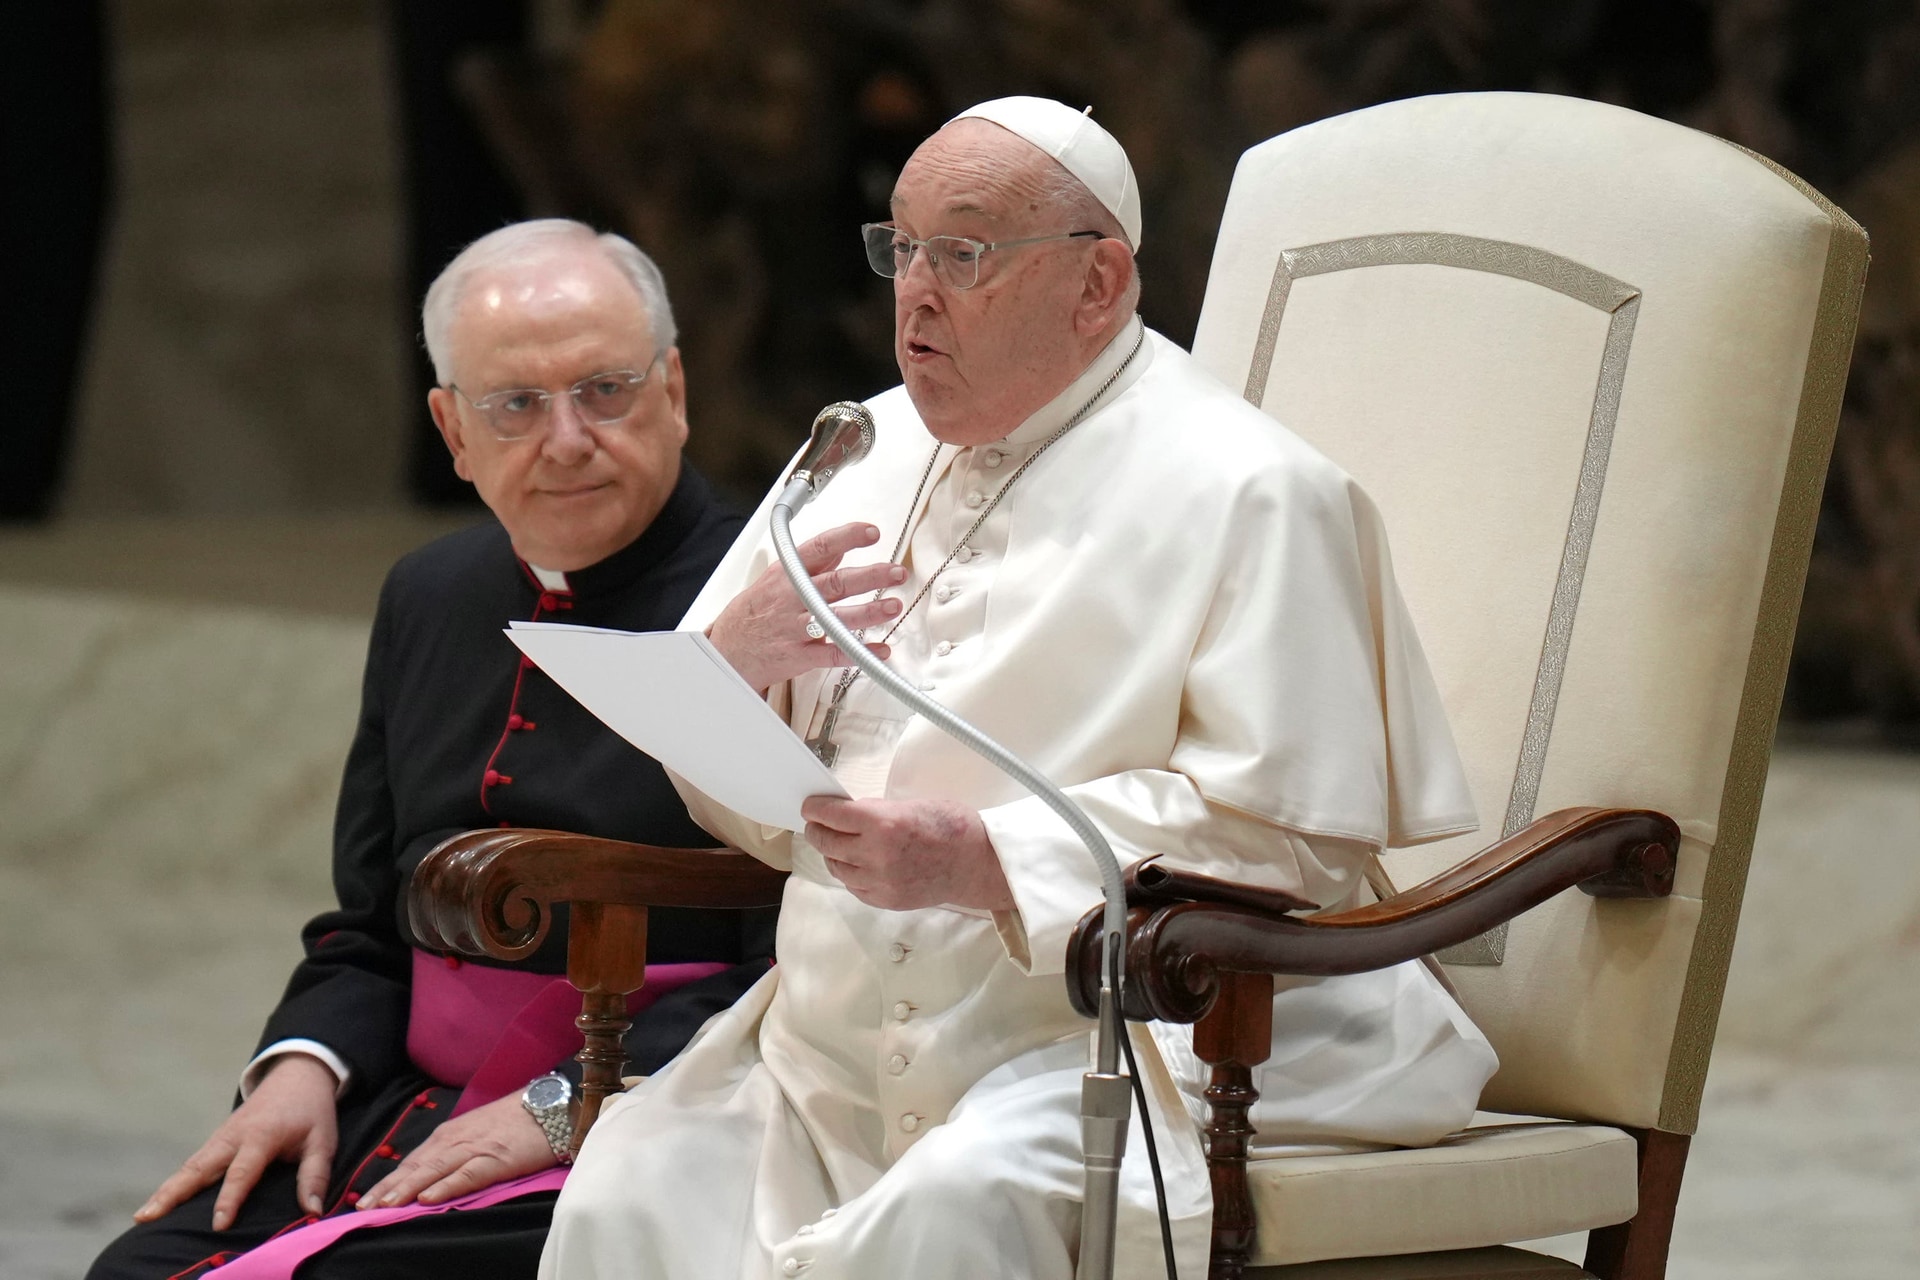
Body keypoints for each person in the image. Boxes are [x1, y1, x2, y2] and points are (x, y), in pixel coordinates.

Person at [540, 98, 1498, 1280]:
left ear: (1098, 283)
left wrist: (985, 856)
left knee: (950, 1208)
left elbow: (1293, 841)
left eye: (966, 253)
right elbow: (740, 786)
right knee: (629, 1192)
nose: (916, 293)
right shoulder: (856, 448)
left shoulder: (1252, 490)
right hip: (825, 1051)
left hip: (1126, 1041)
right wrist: (733, 666)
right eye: (901, 248)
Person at [88, 220, 776, 1280]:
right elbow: (368, 923)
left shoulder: (773, 597)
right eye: (515, 405)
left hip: (656, 1115)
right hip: (406, 1106)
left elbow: (808, 953)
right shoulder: (430, 595)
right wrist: (300, 1064)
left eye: (605, 388)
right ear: (453, 431)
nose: (567, 437)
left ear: (674, 390)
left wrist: (563, 1104)